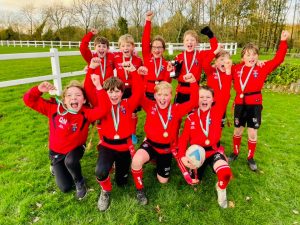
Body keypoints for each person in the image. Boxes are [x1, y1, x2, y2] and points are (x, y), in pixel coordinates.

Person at [23, 75, 108, 200]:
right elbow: (28, 100)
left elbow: (104, 109)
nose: (73, 97)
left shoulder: (86, 113)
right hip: (57, 152)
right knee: (65, 187)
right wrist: (38, 90)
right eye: (69, 95)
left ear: (84, 100)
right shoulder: (54, 109)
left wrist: (99, 87)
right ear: (64, 99)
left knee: (71, 161)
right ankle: (54, 164)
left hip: (75, 149)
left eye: (78, 95)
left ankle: (80, 182)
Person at [131, 73, 199, 205]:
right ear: (155, 96)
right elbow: (139, 93)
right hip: (150, 145)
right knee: (136, 161)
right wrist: (135, 73)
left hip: (167, 149)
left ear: (171, 96)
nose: (163, 98)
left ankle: (156, 161)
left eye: (166, 95)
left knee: (163, 181)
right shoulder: (150, 105)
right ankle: (140, 190)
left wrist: (194, 82)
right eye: (160, 95)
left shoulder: (176, 109)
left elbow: (194, 101)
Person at [228, 30, 290, 171]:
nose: (251, 57)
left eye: (254, 54)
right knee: (237, 130)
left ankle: (250, 157)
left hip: (254, 104)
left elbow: (278, 59)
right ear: (242, 57)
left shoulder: (262, 67)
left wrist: (283, 42)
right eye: (248, 55)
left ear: (258, 56)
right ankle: (235, 152)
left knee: (252, 132)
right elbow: (222, 68)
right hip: (239, 103)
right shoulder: (236, 69)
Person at [93, 61, 143, 212]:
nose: (114, 95)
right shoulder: (103, 106)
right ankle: (105, 191)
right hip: (107, 146)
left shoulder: (128, 104)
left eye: (117, 91)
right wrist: (97, 85)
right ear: (105, 93)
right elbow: (96, 92)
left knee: (122, 181)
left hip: (124, 147)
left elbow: (139, 91)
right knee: (101, 172)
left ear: (122, 92)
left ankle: (119, 173)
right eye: (110, 91)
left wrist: (134, 71)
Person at [178, 85, 232, 208]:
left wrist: (228, 71)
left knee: (225, 173)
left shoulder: (217, 111)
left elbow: (225, 93)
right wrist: (182, 156)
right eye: (201, 97)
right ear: (196, 99)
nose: (204, 99)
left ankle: (221, 188)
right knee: (195, 181)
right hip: (197, 154)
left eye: (208, 97)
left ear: (213, 100)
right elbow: (183, 139)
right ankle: (199, 169)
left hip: (214, 151)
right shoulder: (191, 117)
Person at [173, 27, 218, 104]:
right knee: (176, 115)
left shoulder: (200, 54)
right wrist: (173, 72)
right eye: (187, 40)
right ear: (183, 42)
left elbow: (215, 49)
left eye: (192, 40)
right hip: (181, 90)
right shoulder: (179, 57)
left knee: (194, 115)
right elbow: (174, 75)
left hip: (194, 90)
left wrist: (211, 36)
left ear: (197, 43)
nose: (189, 42)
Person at [114, 34, 143, 144]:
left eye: (128, 45)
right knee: (121, 112)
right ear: (120, 47)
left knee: (133, 114)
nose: (126, 48)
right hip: (121, 89)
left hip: (133, 90)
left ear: (133, 47)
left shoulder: (138, 60)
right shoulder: (116, 58)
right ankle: (122, 131)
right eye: (123, 46)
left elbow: (141, 75)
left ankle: (133, 133)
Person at [142, 11, 172, 101]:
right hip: (148, 92)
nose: (156, 50)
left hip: (161, 92)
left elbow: (167, 81)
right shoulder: (147, 57)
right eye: (154, 47)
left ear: (163, 49)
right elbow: (145, 40)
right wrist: (148, 21)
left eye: (159, 47)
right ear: (151, 48)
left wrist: (168, 71)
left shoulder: (166, 64)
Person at [80, 28, 115, 107]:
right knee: (97, 107)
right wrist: (90, 34)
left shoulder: (111, 57)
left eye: (104, 46)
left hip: (108, 88)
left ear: (108, 49)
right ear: (95, 47)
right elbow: (83, 48)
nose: (101, 48)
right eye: (99, 46)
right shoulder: (91, 57)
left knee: (108, 108)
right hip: (94, 89)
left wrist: (134, 52)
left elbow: (121, 57)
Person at [202, 47, 233, 128]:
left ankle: (217, 140)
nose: (225, 62)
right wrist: (215, 52)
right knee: (208, 126)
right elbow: (205, 63)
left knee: (219, 128)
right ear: (216, 62)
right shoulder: (211, 71)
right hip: (210, 104)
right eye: (222, 59)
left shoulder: (229, 72)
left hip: (222, 106)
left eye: (227, 60)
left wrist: (257, 61)